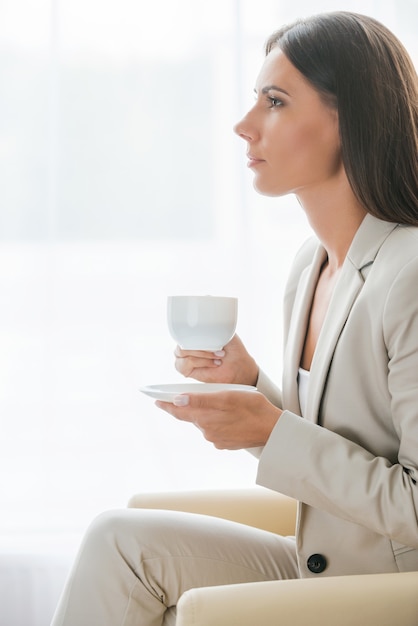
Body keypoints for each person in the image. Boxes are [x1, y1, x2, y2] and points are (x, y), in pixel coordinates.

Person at [51, 11, 418, 625]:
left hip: (391, 584)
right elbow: (329, 447)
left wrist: (267, 430)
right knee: (118, 541)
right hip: (322, 561)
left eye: (274, 102)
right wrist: (250, 390)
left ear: (350, 119)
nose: (243, 126)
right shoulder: (313, 265)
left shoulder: (408, 273)